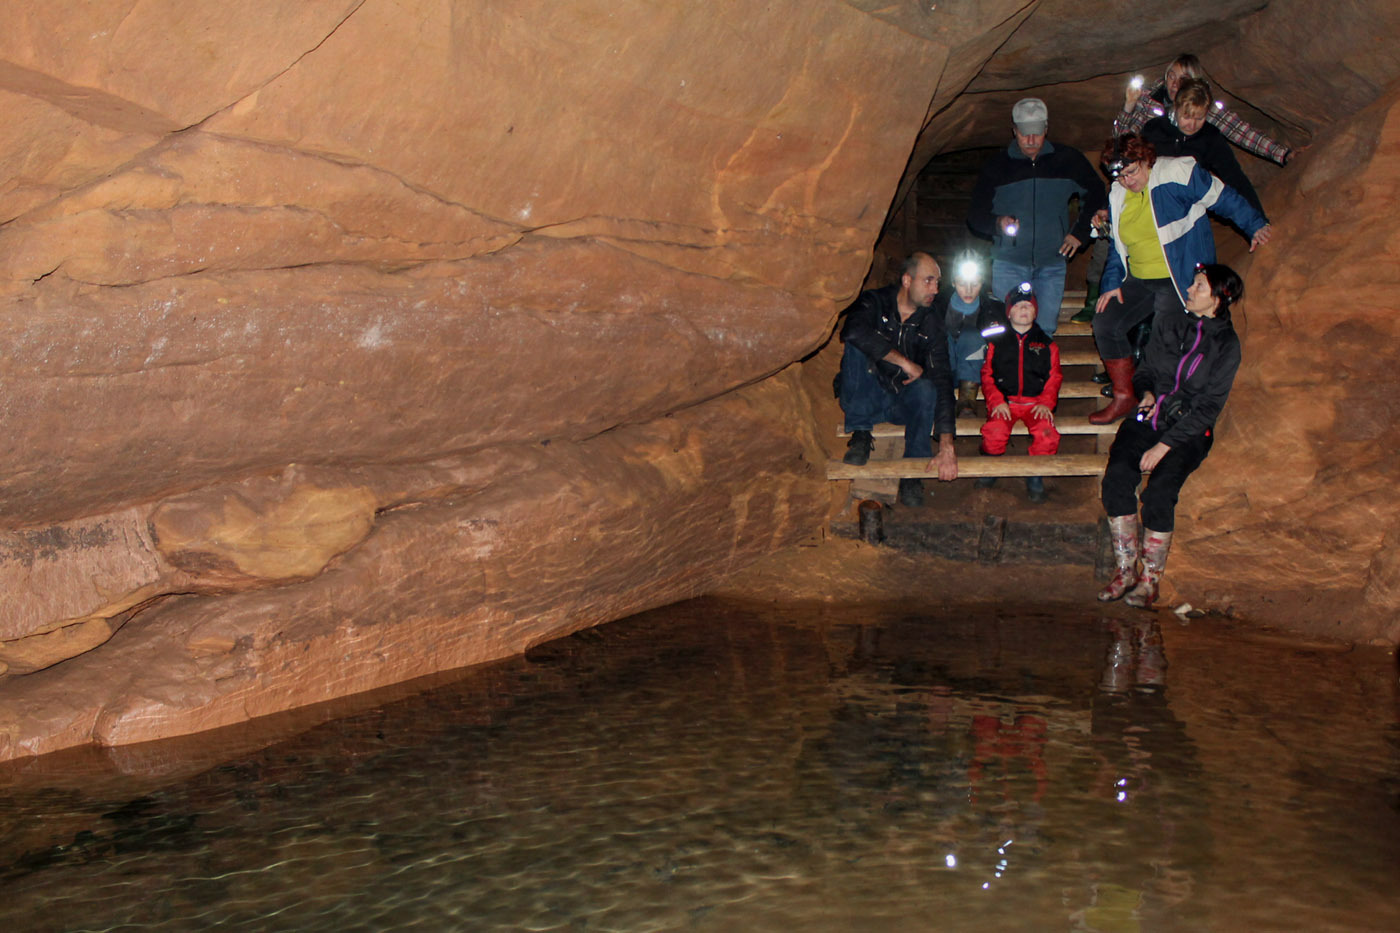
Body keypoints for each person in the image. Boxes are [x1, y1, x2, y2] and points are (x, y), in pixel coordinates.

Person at [1089, 134, 1271, 425]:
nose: (1127, 181)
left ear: (1146, 159)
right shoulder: (1117, 194)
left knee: (1165, 337)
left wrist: (1255, 225)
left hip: (1179, 274)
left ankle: (1161, 406)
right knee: (1105, 321)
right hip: (1139, 276)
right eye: (1120, 176)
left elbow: (1222, 197)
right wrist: (1111, 283)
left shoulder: (1177, 172)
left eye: (1132, 172)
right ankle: (1125, 396)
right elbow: (1117, 247)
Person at [1099, 263, 1244, 608]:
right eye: (1192, 284)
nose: (1189, 290)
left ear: (1219, 298)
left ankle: (1150, 579)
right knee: (1117, 477)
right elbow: (1145, 369)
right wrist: (1147, 393)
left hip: (1188, 430)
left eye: (1199, 286)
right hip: (1151, 415)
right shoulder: (1171, 322)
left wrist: (1163, 446)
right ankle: (1125, 571)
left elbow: (1209, 407)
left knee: (1160, 493)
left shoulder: (1226, 345)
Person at [968, 98, 1107, 336]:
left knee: (1044, 331)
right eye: (1025, 134)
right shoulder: (997, 166)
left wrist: (1079, 232)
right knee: (1008, 333)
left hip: (1052, 263)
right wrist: (998, 223)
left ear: (1046, 129)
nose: (1031, 140)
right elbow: (975, 214)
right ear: (1014, 131)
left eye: (1037, 133)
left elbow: (1096, 192)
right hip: (1009, 263)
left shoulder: (1067, 160)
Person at [838, 252, 958, 507]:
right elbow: (853, 330)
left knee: (927, 388)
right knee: (856, 345)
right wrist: (904, 362)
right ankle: (861, 433)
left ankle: (913, 471)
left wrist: (946, 444)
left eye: (937, 282)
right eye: (928, 281)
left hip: (901, 401)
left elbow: (942, 378)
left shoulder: (931, 322)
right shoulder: (875, 302)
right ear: (907, 280)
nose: (935, 289)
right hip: (867, 395)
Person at [1116, 54, 1295, 166]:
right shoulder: (1149, 101)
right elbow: (1121, 142)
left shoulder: (1201, 105)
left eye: (1183, 79)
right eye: (1171, 76)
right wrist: (1129, 106)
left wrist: (1282, 153)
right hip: (1149, 171)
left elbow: (1239, 130)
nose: (1175, 84)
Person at [976, 282, 1062, 503]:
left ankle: (1035, 473)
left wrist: (1046, 403)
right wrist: (996, 401)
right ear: (1009, 312)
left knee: (1047, 434)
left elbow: (1054, 377)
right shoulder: (997, 343)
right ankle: (992, 464)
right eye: (1018, 306)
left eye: (1029, 306)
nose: (1024, 309)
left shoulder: (1047, 345)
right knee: (995, 431)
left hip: (1036, 403)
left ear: (1036, 312)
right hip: (1006, 402)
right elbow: (987, 375)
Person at [1142, 78, 1266, 216]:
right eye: (1187, 117)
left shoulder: (1209, 137)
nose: (1192, 125)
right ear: (1176, 107)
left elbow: (1235, 178)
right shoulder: (1154, 130)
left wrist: (1258, 218)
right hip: (1154, 203)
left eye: (1199, 118)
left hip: (1189, 210)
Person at [941, 252, 1007, 417]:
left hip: (976, 372)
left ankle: (967, 401)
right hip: (944, 371)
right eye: (962, 284)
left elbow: (1004, 347)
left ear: (982, 282)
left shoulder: (994, 310)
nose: (969, 290)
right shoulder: (937, 305)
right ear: (953, 282)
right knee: (941, 335)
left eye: (975, 284)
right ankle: (942, 399)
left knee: (970, 335)